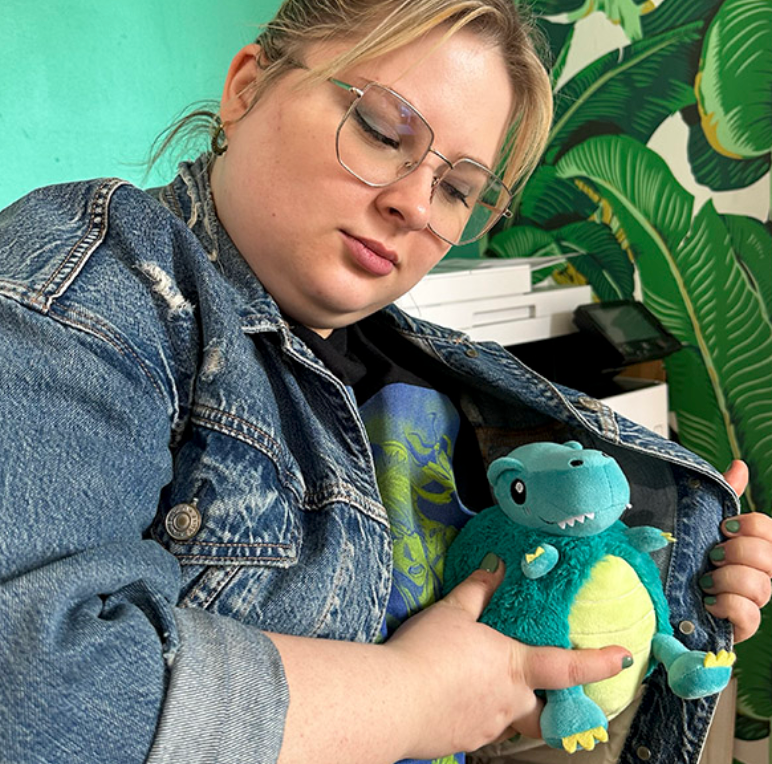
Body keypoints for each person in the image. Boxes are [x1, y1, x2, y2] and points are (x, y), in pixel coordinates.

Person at [0, 1, 770, 763]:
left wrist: (679, 587)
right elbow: (35, 687)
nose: (412, 204)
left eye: (459, 189)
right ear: (246, 88)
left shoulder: (418, 382)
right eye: (380, 130)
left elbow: (480, 685)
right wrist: (410, 696)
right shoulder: (85, 282)